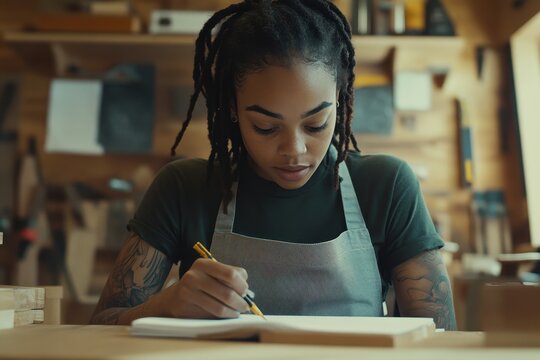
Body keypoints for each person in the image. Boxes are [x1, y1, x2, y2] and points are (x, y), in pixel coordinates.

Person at [91, 0, 457, 330]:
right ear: (232, 109)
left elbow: (440, 342)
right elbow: (99, 328)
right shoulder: (182, 188)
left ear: (341, 100)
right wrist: (164, 306)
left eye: (316, 125)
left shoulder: (386, 186)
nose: (294, 150)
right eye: (265, 127)